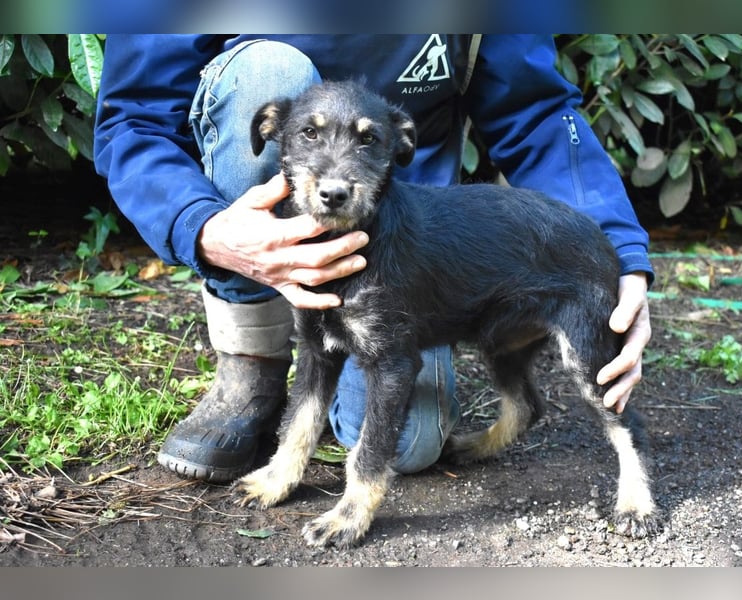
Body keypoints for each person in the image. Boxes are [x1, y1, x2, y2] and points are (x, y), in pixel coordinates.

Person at [94, 34, 653, 484]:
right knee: (267, 70)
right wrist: (203, 228)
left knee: (408, 445)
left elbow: (536, 112)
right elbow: (133, 117)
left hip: (413, 243)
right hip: (263, 168)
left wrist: (617, 255)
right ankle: (250, 366)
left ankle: (521, 421)